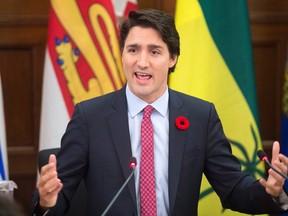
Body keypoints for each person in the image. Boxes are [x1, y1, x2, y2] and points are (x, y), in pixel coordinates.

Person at [32, 8, 288, 216]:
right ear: (122, 54)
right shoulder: (90, 117)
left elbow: (232, 188)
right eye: (133, 50)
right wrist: (46, 202)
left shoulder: (200, 116)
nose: (142, 62)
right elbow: (59, 195)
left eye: (154, 52)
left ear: (173, 58)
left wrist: (269, 191)